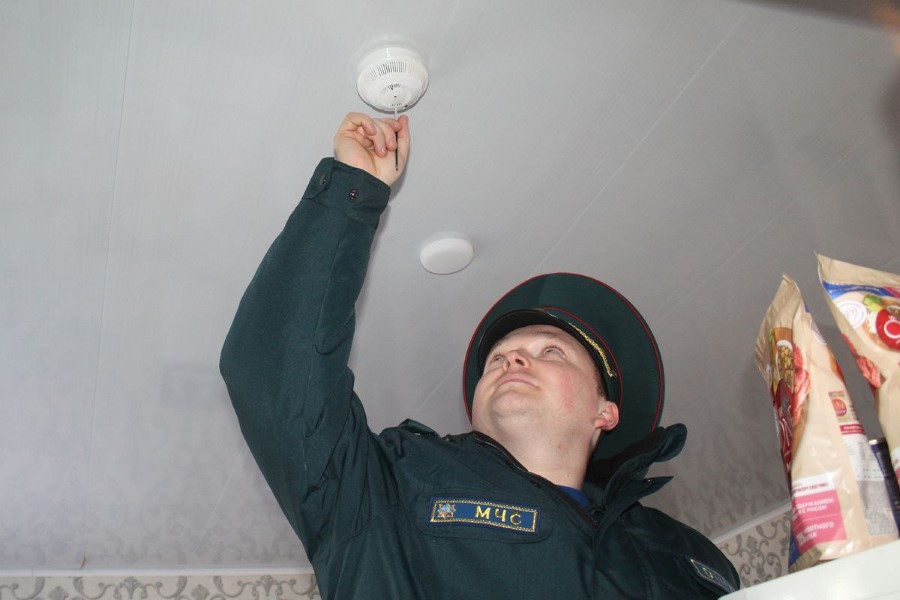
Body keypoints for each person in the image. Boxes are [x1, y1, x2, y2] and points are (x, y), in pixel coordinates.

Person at [220, 113, 740, 599]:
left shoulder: (687, 556)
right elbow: (275, 373)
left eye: (550, 351)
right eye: (498, 359)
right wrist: (351, 191)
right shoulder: (390, 487)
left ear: (604, 412)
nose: (512, 361)